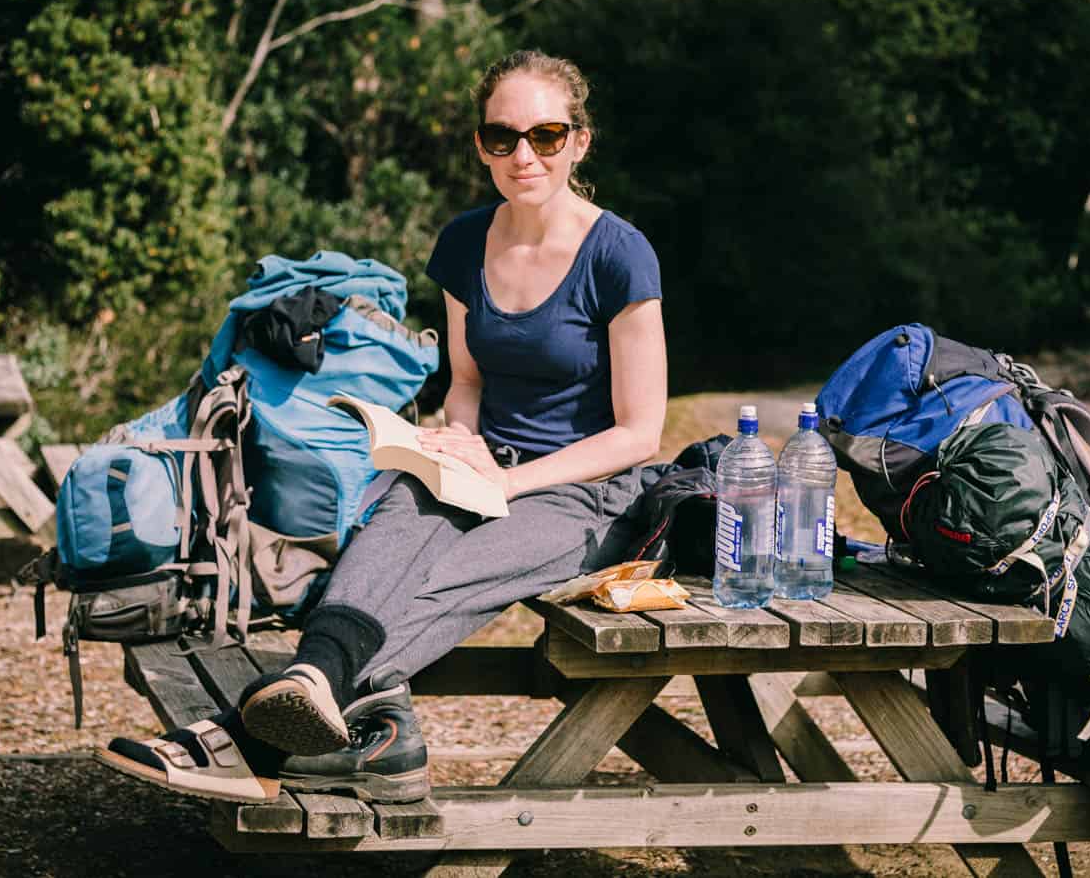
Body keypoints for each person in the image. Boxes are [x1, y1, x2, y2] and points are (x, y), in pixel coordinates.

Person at [96, 49, 667, 803]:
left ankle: (241, 735)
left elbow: (641, 433)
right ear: (481, 145)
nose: (523, 154)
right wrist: (451, 441)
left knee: (441, 577)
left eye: (546, 135)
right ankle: (334, 709)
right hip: (485, 462)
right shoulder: (466, 242)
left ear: (579, 141)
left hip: (588, 494)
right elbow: (466, 383)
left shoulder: (620, 255)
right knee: (389, 526)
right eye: (503, 137)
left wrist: (511, 479)